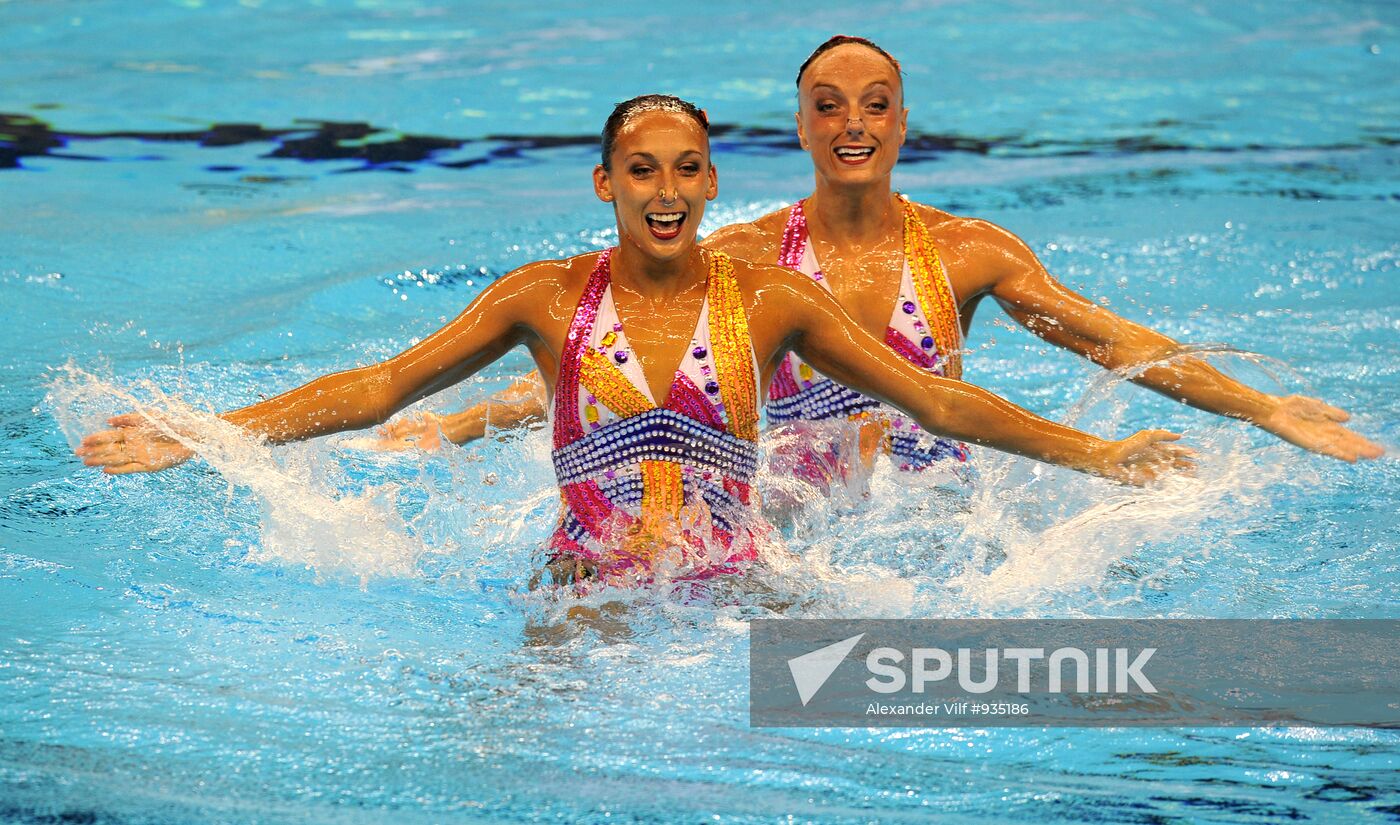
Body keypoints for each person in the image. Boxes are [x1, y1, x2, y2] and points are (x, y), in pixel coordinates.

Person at [77, 95, 1191, 587]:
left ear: (711, 183)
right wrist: (200, 432)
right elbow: (379, 385)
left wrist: (1105, 456)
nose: (668, 191)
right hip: (581, 578)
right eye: (643, 170)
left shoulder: (768, 302)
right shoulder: (545, 300)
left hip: (744, 572)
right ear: (605, 184)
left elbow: (934, 403)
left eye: (688, 169)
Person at [378, 37, 1382, 480]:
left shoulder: (964, 254)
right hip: (793, 511)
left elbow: (1113, 343)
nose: (851, 123)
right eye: (828, 106)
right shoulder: (742, 259)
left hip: (934, 515)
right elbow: (637, 381)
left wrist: (1260, 408)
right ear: (802, 130)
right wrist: (460, 425)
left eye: (873, 105)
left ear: (903, 124)